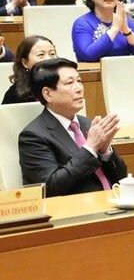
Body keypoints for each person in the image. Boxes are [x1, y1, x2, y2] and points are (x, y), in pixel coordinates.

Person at [19, 58, 128, 197]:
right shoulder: (33, 136)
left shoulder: (88, 124)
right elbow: (49, 188)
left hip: (114, 200)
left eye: (79, 81)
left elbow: (121, 179)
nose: (79, 88)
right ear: (48, 94)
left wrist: (105, 151)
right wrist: (90, 148)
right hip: (77, 207)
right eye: (70, 83)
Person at [2, 35, 56, 104]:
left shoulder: (64, 85)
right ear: (25, 62)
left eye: (52, 54)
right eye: (41, 55)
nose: (48, 58)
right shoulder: (14, 94)